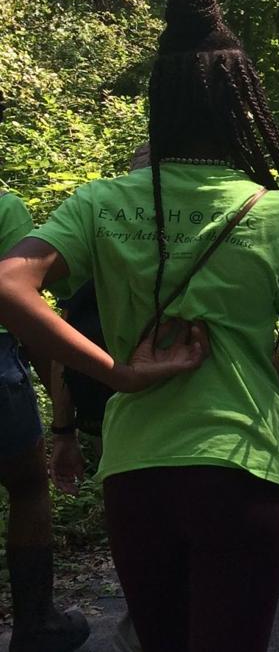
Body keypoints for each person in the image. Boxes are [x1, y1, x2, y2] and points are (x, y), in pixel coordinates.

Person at [0, 0, 279, 652]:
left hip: (136, 474)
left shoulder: (101, 203)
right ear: (240, 107)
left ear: (162, 102)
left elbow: (12, 282)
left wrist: (117, 375)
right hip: (243, 469)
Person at [0, 187, 90, 652]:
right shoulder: (4, 205)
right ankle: (35, 623)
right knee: (29, 486)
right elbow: (23, 308)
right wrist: (64, 419)